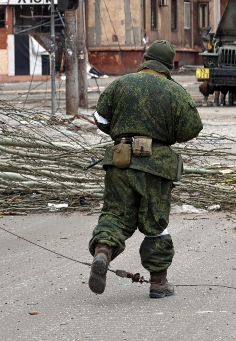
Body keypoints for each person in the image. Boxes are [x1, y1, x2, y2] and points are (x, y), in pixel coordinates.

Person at [89, 40, 203, 298]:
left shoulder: (120, 84)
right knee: (155, 223)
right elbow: (192, 128)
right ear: (170, 64)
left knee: (115, 215)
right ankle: (158, 283)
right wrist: (166, 135)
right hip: (156, 165)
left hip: (120, 160)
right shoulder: (175, 91)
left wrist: (122, 134)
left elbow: (100, 119)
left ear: (145, 58)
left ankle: (103, 253)